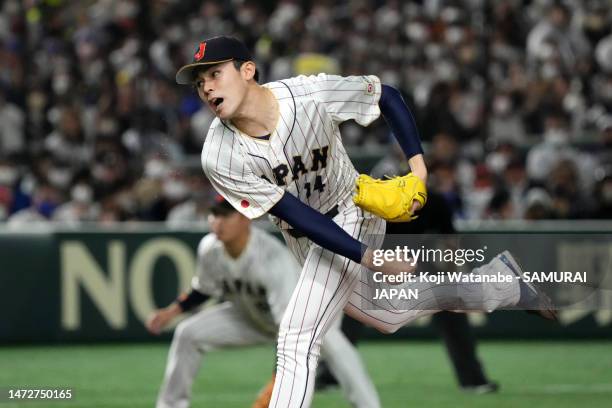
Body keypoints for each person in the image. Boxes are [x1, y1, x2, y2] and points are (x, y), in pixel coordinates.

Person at [175, 35, 555, 407]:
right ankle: (504, 284)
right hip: (309, 235)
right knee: (390, 314)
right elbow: (294, 213)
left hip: (352, 208)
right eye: (199, 82)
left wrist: (418, 169)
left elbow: (385, 95)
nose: (206, 88)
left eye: (214, 74)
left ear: (247, 70)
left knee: (296, 337)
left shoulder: (310, 94)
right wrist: (368, 257)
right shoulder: (218, 155)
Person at [146, 196, 380, 408]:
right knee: (187, 333)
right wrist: (171, 312)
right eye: (214, 214)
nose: (218, 222)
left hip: (302, 320)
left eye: (226, 215)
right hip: (248, 317)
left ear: (246, 218)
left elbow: (292, 332)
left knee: (340, 352)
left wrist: (275, 383)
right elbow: (203, 288)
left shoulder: (271, 258)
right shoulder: (209, 248)